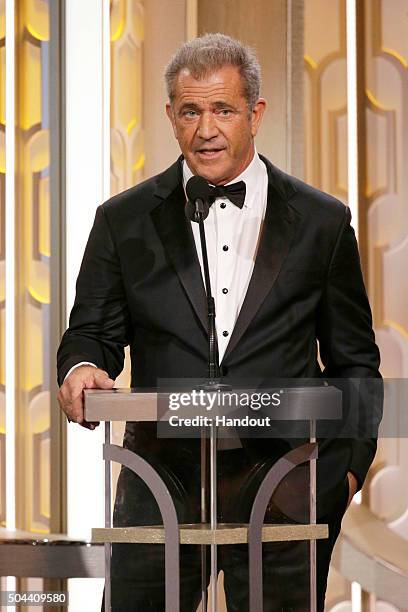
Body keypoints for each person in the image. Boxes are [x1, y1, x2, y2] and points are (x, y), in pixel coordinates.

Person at [57, 33, 381, 611]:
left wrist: (343, 476)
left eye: (223, 109)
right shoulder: (123, 220)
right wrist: (82, 367)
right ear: (170, 117)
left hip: (281, 478)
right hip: (160, 481)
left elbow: (355, 360)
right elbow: (91, 332)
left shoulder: (321, 222)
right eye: (190, 111)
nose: (205, 128)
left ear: (255, 113)